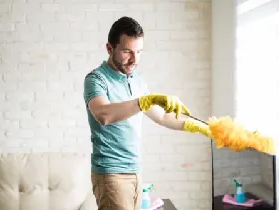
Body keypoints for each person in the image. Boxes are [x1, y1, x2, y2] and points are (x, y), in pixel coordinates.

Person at [83, 16, 212, 210]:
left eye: (139, 52)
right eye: (127, 51)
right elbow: (104, 114)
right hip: (111, 174)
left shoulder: (137, 80)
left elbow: (161, 116)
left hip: (136, 171)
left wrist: (199, 127)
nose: (134, 59)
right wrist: (144, 101)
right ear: (110, 49)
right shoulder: (96, 79)